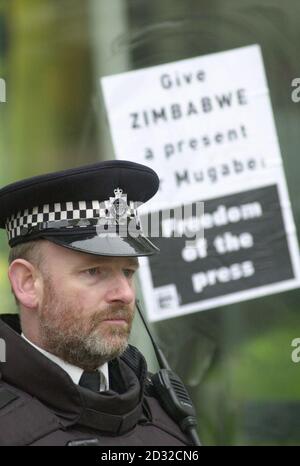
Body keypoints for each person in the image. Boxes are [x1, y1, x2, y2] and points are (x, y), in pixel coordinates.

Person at [0, 159, 192, 446]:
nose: (125, 294)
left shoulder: (165, 412)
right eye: (94, 271)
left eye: (128, 272)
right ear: (27, 283)